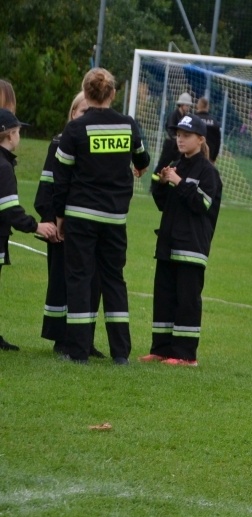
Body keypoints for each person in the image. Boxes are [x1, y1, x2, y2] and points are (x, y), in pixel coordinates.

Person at [53, 67, 150, 365]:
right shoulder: (128, 125)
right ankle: (121, 353)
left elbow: (61, 177)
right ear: (113, 94)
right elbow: (143, 159)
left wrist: (59, 217)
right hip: (115, 218)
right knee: (114, 281)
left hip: (81, 215)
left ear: (86, 92)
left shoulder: (75, 129)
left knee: (80, 279)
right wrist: (137, 167)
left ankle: (78, 351)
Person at [138, 114, 222, 367]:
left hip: (191, 248)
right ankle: (162, 349)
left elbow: (202, 204)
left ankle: (186, 355)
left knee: (186, 300)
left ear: (200, 139)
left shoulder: (208, 171)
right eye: (178, 134)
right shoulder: (176, 164)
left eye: (186, 135)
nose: (180, 139)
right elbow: (163, 204)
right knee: (163, 297)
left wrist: (179, 182)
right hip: (168, 244)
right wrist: (164, 183)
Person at [34, 91, 106, 358]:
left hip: (92, 227)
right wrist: (52, 222)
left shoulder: (98, 144)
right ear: (72, 114)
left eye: (90, 112)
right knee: (64, 282)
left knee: (92, 283)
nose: (86, 116)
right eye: (81, 111)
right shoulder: (59, 143)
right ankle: (62, 338)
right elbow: (48, 187)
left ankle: (84, 339)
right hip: (65, 227)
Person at [0, 108, 59, 351]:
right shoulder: (3, 167)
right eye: (18, 132)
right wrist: (36, 226)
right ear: (10, 135)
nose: (19, 137)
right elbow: (9, 209)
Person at [153, 92, 192, 178]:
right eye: (187, 105)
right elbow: (169, 128)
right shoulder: (174, 115)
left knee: (178, 166)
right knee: (163, 164)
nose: (188, 107)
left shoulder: (185, 117)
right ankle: (154, 184)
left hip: (178, 146)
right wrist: (176, 139)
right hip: (170, 145)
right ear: (181, 104)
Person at [194, 97, 221, 164]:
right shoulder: (214, 122)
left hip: (195, 155)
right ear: (208, 107)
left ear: (198, 106)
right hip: (209, 157)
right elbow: (218, 142)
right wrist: (214, 158)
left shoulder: (193, 120)